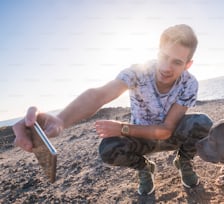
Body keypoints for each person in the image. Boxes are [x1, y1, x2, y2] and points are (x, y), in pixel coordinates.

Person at [13, 24, 213, 195]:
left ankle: (184, 162)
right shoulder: (138, 72)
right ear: (157, 51)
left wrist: (122, 128)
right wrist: (61, 120)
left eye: (177, 62)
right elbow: (100, 95)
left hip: (170, 137)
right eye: (164, 56)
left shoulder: (189, 84)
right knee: (108, 149)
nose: (166, 67)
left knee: (203, 124)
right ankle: (145, 168)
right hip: (142, 140)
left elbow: (166, 129)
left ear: (188, 65)